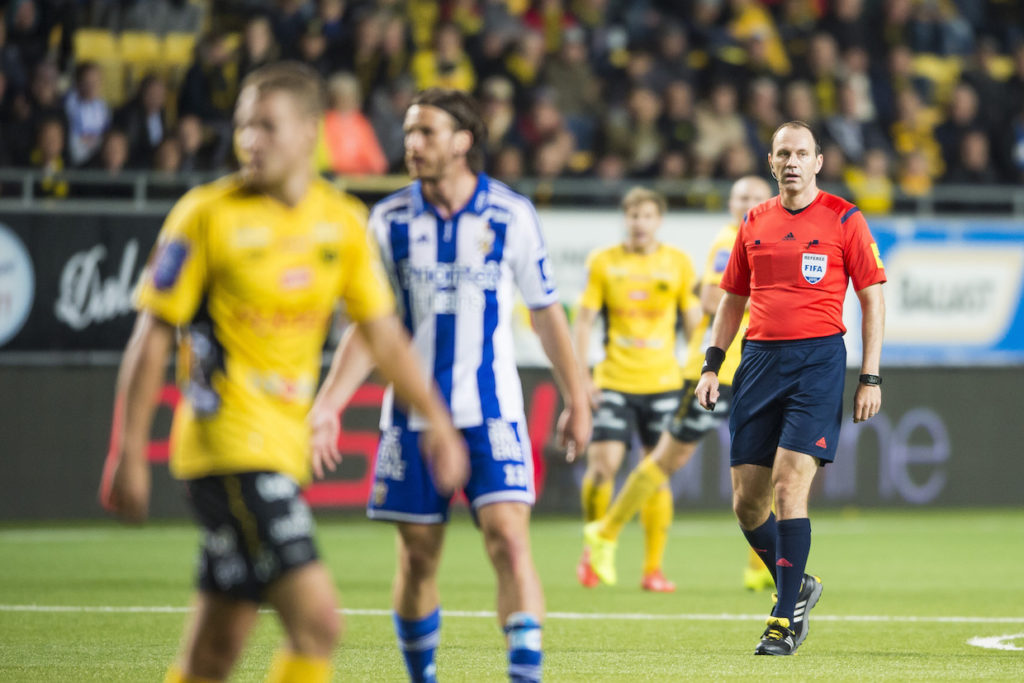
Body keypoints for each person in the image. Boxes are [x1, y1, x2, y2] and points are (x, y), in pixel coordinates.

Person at [98, 62, 469, 683]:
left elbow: (383, 335)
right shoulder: (204, 215)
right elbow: (151, 335)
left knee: (214, 651)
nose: (250, 140)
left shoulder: (343, 221)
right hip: (227, 449)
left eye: (266, 126)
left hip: (280, 449)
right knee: (319, 623)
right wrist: (128, 448)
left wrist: (437, 420)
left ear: (308, 133)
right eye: (243, 126)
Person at [309, 87, 591, 683]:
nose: (412, 144)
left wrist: (578, 398)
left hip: (493, 412)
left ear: (463, 141)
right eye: (409, 132)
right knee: (417, 556)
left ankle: (525, 676)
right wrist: (329, 404)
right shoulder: (387, 222)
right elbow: (369, 328)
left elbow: (545, 313)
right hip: (410, 417)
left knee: (509, 541)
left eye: (426, 132)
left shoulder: (510, 215)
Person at [695, 121, 886, 656]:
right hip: (756, 361)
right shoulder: (754, 221)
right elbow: (732, 298)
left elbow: (872, 298)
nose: (794, 161)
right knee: (746, 503)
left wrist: (870, 375)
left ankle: (783, 620)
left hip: (818, 361)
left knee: (788, 484)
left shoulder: (844, 218)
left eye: (803, 153)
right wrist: (711, 366)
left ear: (818, 162)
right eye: (784, 153)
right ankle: (797, 583)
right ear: (772, 163)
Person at [580, 176, 776, 593]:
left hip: (756, 369)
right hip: (719, 373)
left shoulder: (769, 237)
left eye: (757, 197)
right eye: (742, 196)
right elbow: (710, 299)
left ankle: (759, 567)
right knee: (669, 459)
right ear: (730, 203)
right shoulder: (732, 238)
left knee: (767, 466)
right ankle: (606, 531)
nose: (749, 203)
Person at [573, 187, 702, 592]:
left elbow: (695, 322)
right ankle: (592, 551)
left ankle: (652, 569)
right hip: (613, 380)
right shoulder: (604, 262)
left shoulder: (678, 263)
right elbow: (584, 320)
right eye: (633, 216)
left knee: (656, 475)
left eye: (647, 216)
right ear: (625, 219)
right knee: (603, 465)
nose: (639, 223)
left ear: (658, 220)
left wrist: (703, 368)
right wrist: (581, 375)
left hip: (664, 381)